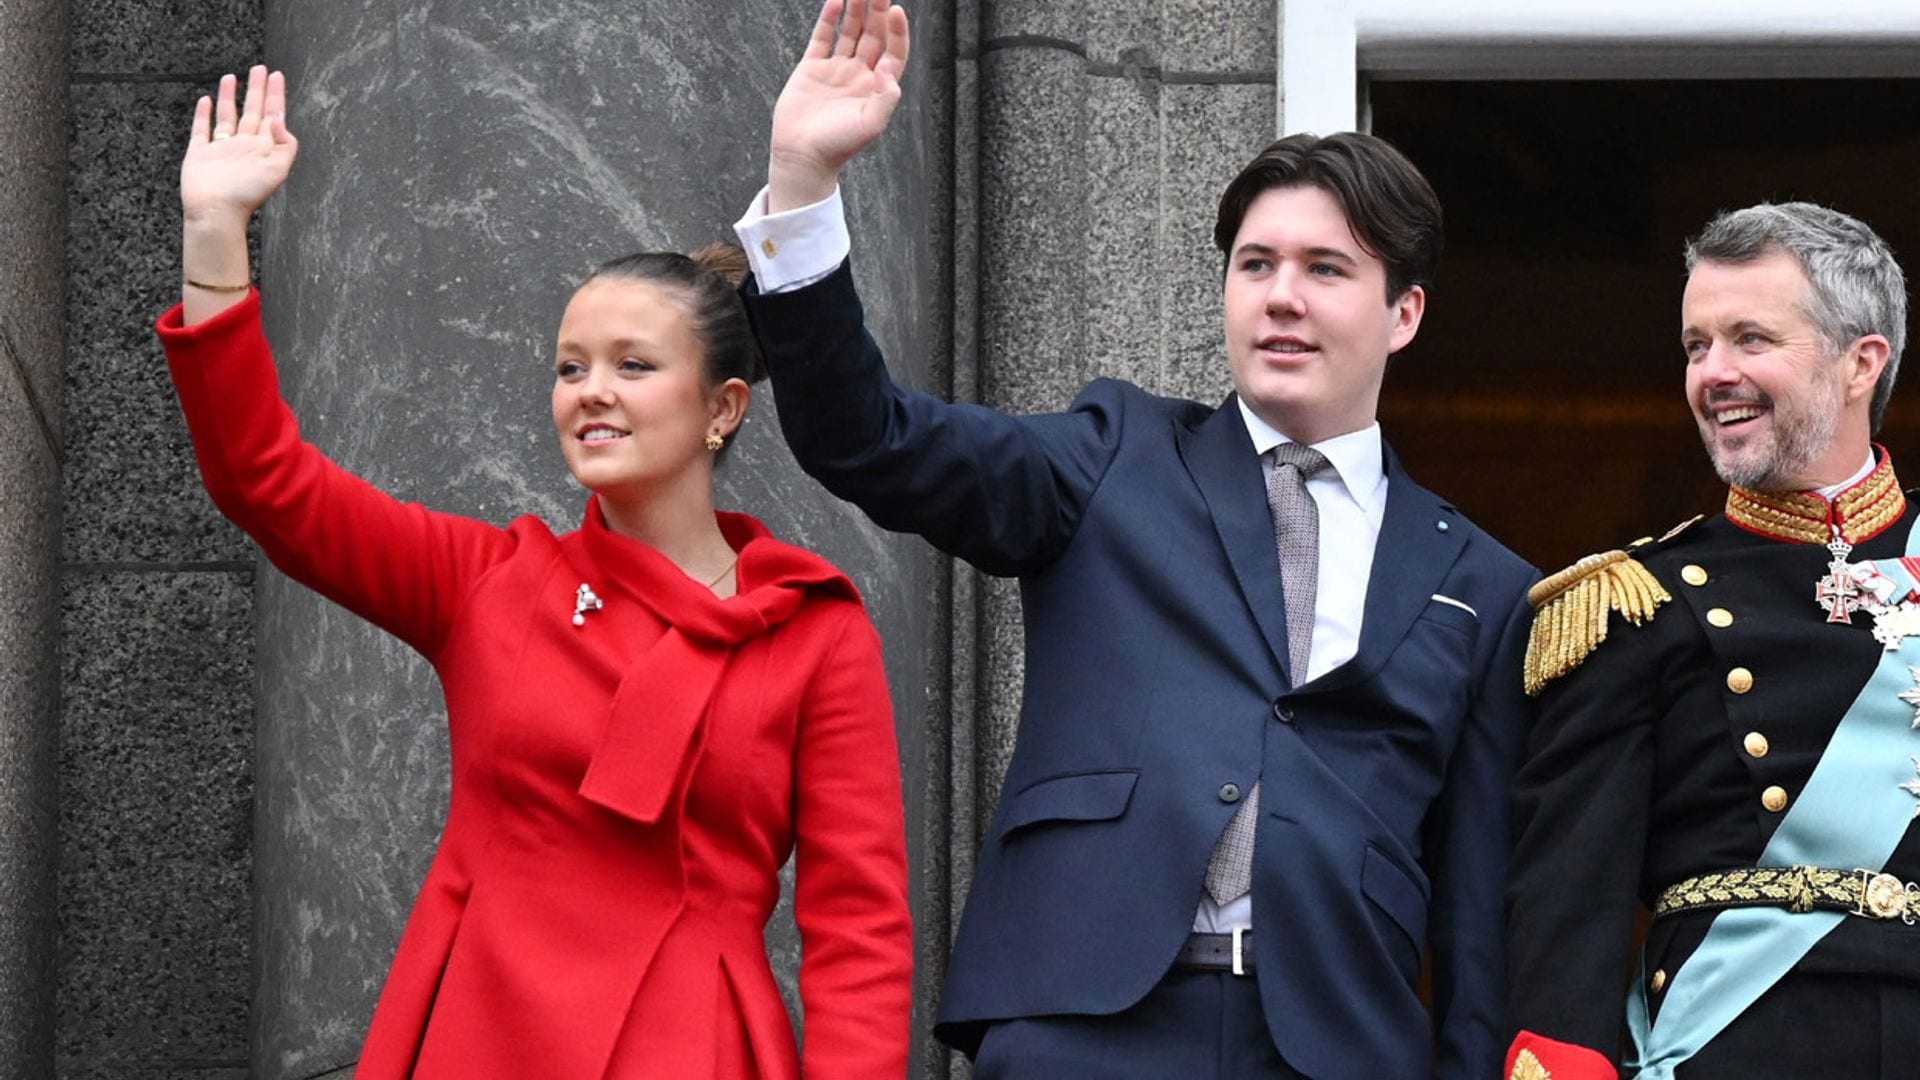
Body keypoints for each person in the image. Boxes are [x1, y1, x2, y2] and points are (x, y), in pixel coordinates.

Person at [734, 2, 1537, 1076]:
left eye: (1326, 270)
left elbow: (1477, 902)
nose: (1281, 299)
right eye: (1255, 265)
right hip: (1081, 1019)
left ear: (1404, 314)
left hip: (1338, 1044)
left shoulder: (1481, 580)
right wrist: (804, 187)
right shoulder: (1115, 452)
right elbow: (869, 438)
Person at [158, 66, 910, 1079]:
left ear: (722, 408)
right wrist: (215, 236)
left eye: (633, 366)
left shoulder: (814, 633)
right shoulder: (489, 582)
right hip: (479, 1029)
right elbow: (266, 482)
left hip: (693, 1044)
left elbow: (858, 932)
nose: (591, 393)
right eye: (570, 367)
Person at [1506, 202, 1914, 1079]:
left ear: (1860, 362)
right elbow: (1569, 904)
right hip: (1740, 1046)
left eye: (1749, 340)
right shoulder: (1635, 601)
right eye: (1696, 347)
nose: (1712, 374)